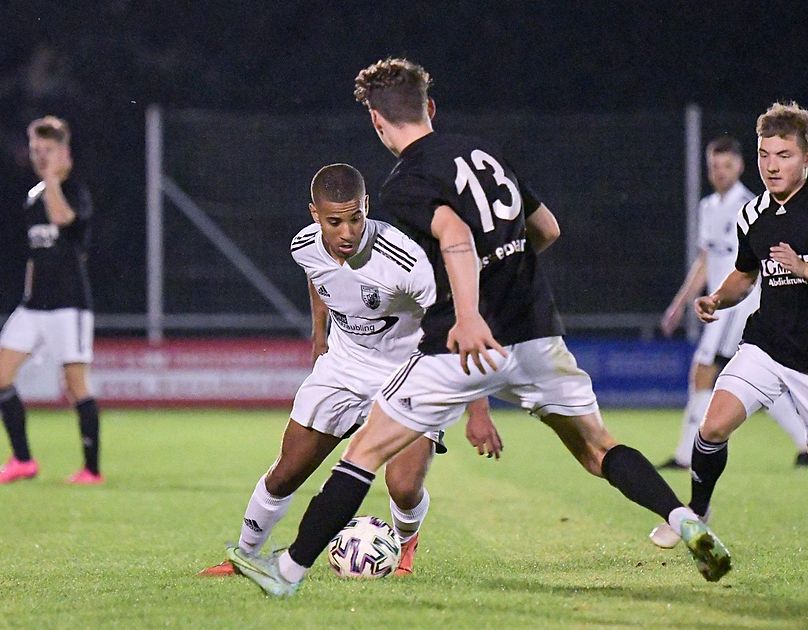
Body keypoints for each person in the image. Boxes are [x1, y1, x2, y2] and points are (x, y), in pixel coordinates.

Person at [227, 58, 731, 597]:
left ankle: (286, 573)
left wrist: (468, 313)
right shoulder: (487, 154)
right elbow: (547, 229)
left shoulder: (407, 184)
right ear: (431, 109)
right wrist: (501, 269)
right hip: (536, 330)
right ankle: (683, 520)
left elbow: (454, 235)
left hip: (464, 345)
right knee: (598, 449)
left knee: (364, 453)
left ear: (377, 122)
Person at [202, 163, 500, 577]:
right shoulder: (304, 245)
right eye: (334, 221)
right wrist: (318, 334)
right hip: (343, 365)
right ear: (314, 215)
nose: (346, 232)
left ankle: (406, 542)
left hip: (410, 370)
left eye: (356, 217)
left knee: (403, 486)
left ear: (367, 206)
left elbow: (459, 320)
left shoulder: (404, 261)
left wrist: (479, 409)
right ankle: (244, 557)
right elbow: (319, 278)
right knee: (286, 471)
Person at [687, 102, 808, 551]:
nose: (771, 166)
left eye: (784, 155)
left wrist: (806, 269)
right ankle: (694, 516)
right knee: (712, 426)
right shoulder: (753, 213)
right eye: (764, 155)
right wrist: (716, 297)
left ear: (807, 157)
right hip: (766, 344)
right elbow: (745, 273)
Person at [657, 136, 808, 472]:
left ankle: (686, 454)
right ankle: (806, 443)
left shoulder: (750, 205)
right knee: (752, 377)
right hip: (719, 303)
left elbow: (758, 264)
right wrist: (679, 304)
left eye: (727, 166)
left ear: (740, 166)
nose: (720, 172)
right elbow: (705, 260)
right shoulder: (708, 206)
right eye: (714, 166)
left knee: (704, 371)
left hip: (738, 303)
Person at [0, 115, 102, 485]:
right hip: (33, 305)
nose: (40, 157)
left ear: (64, 152)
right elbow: (33, 253)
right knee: (1, 376)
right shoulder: (33, 196)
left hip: (68, 305)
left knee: (76, 386)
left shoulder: (74, 189)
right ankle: (23, 460)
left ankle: (92, 470)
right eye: (35, 150)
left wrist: (52, 181)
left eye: (48, 151)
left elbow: (63, 221)